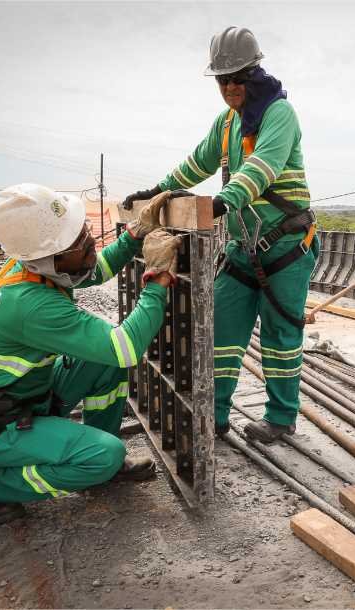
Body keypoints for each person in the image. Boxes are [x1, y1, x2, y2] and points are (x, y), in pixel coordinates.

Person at [0, 183, 182, 524]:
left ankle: (103, 465)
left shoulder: (34, 265)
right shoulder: (29, 305)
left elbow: (94, 270)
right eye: (80, 241)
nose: (91, 242)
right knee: (105, 453)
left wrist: (135, 234)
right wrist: (157, 279)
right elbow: (126, 348)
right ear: (51, 256)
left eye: (84, 231)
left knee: (103, 363)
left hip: (19, 399)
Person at [123, 26, 317, 444]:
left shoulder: (279, 114)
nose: (230, 87)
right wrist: (157, 190)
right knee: (222, 333)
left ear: (254, 72)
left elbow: (262, 166)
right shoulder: (228, 123)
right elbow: (198, 163)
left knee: (281, 338)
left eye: (238, 78)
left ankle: (281, 419)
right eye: (222, 80)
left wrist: (223, 202)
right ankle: (215, 414)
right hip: (244, 248)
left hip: (286, 247)